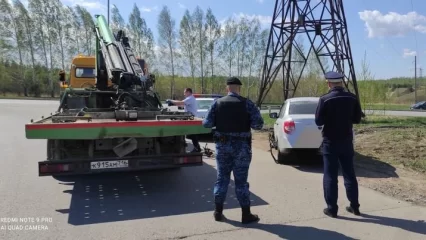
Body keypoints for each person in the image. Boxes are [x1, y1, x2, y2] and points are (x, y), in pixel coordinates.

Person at [202, 77, 264, 224]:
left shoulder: (217, 104)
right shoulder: (247, 104)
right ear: (239, 88)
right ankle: (246, 214)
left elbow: (207, 124)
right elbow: (258, 125)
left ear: (227, 88)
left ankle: (218, 212)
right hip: (242, 148)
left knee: (221, 179)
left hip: (222, 147)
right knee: (241, 182)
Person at [314, 71, 363, 218]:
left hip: (330, 142)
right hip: (347, 141)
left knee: (330, 175)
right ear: (341, 83)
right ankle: (355, 206)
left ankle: (332, 209)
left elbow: (318, 121)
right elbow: (357, 119)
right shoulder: (352, 98)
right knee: (349, 174)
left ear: (329, 83)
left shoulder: (325, 99)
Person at [166, 88, 201, 152]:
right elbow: (182, 104)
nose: (184, 94)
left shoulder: (190, 98)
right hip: (191, 117)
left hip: (191, 118)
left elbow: (181, 102)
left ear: (188, 92)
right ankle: (197, 147)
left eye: (185, 92)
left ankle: (197, 148)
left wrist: (171, 101)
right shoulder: (190, 98)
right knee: (192, 134)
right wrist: (173, 103)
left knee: (192, 134)